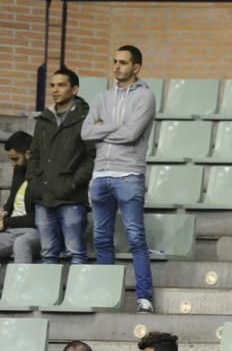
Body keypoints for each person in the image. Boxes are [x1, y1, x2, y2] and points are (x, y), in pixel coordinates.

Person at [81, 45, 157, 312]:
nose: (117, 67)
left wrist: (104, 128)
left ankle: (144, 298)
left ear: (136, 67)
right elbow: (86, 133)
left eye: (123, 62)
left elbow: (132, 134)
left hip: (129, 174)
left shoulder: (145, 96)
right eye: (114, 61)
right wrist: (115, 127)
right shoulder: (102, 97)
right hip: (100, 175)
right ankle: (104, 296)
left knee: (136, 238)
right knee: (101, 239)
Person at [28, 67, 95, 266]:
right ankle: (46, 298)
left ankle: (79, 297)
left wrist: (72, 184)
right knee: (48, 253)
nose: (55, 90)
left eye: (61, 85)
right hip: (44, 197)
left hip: (72, 197)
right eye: (52, 85)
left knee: (76, 253)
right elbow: (35, 155)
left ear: (74, 89)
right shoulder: (43, 119)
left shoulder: (86, 118)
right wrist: (34, 182)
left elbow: (92, 157)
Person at [0, 132, 41, 263]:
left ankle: (22, 283)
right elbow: (12, 199)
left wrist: (6, 222)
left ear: (28, 154)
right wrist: (3, 213)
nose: (13, 164)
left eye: (15, 159)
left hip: (34, 232)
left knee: (21, 243)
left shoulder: (41, 177)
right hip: (11, 230)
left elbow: (38, 218)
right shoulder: (19, 171)